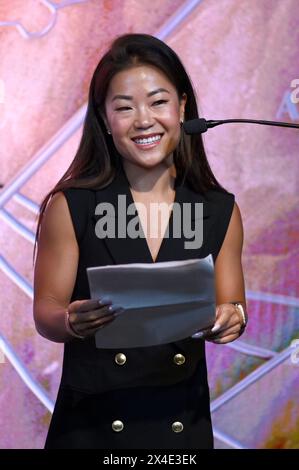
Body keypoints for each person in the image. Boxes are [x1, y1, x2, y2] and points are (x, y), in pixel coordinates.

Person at [33, 33, 247, 449]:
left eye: (158, 101)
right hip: (92, 430)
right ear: (104, 118)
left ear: (183, 106)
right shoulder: (72, 204)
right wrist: (70, 322)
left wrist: (231, 317)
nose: (143, 119)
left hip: (179, 425)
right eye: (125, 108)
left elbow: (233, 304)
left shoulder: (219, 209)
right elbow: (46, 313)